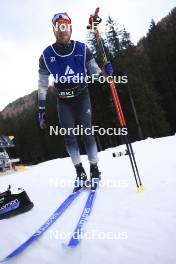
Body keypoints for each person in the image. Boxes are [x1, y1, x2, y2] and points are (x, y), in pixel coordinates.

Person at [38, 12, 113, 191]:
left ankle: (94, 169)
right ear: (54, 30)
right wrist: (41, 109)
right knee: (69, 137)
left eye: (65, 26)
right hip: (63, 100)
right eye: (58, 27)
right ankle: (80, 172)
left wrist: (105, 72)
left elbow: (94, 71)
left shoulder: (82, 48)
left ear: (70, 28)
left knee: (87, 133)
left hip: (82, 96)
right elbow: (42, 84)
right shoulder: (46, 55)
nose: (62, 30)